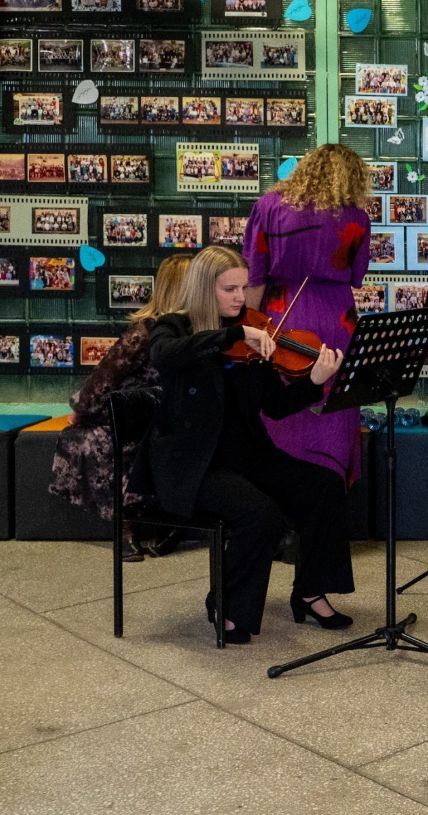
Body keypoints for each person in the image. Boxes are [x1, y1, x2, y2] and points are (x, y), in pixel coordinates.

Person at [140, 246, 353, 644]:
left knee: (324, 485)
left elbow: (275, 406)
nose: (241, 297)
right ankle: (227, 605)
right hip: (197, 465)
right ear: (205, 289)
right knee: (260, 514)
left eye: (243, 287)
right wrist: (235, 334)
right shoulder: (175, 328)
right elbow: (164, 356)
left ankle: (311, 592)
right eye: (230, 289)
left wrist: (314, 381)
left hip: (249, 456)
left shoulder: (256, 333)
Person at [49, 254, 193, 561]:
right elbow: (106, 379)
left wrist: (81, 410)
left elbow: (104, 378)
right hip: (163, 422)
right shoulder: (192, 332)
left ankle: (134, 526)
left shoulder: (150, 332)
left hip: (146, 420)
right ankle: (148, 524)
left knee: (86, 438)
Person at [243, 143, 371, 487]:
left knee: (281, 405)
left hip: (282, 315)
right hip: (336, 318)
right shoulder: (356, 218)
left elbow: (255, 274)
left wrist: (247, 327)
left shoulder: (269, 206)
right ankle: (329, 488)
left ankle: (277, 494)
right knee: (334, 408)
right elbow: (357, 276)